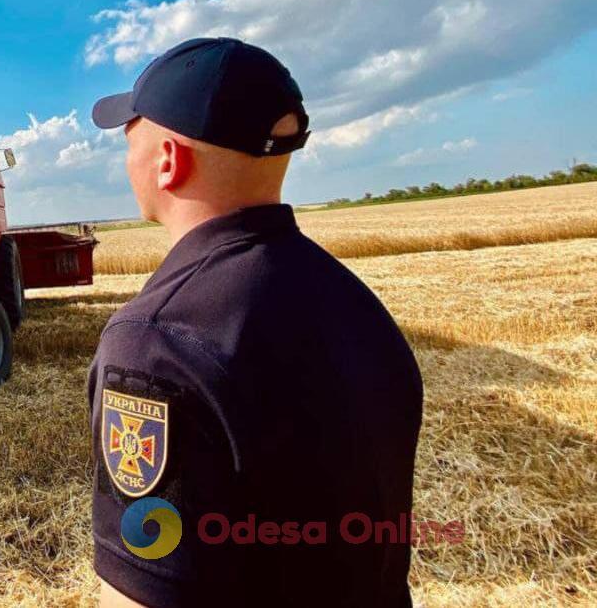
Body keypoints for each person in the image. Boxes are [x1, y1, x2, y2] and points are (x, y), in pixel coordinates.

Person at [87, 38, 423, 607]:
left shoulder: (154, 345)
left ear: (168, 160)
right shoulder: (358, 305)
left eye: (129, 139)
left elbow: (143, 592)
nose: (125, 161)